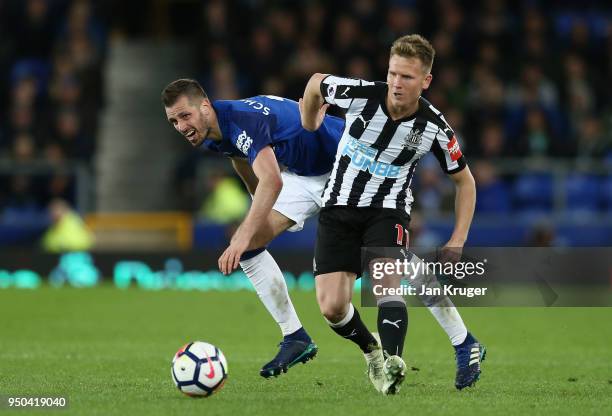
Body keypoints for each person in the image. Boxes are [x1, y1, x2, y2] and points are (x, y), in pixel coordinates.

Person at [300, 34, 486, 394]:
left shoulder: (433, 126)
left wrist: (458, 238)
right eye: (393, 74)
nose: (397, 83)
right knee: (332, 307)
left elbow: (466, 182)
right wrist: (309, 124)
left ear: (426, 81)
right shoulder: (360, 94)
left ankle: (392, 363)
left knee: (385, 282)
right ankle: (374, 352)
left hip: (387, 212)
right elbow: (314, 84)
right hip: (337, 208)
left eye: (407, 77)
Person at [162, 79, 342, 378]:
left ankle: (451, 338)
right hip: (307, 175)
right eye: (173, 121)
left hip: (347, 165)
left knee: (386, 257)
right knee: (247, 245)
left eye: (185, 116)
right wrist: (255, 214)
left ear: (205, 106)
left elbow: (272, 180)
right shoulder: (211, 132)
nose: (180, 127)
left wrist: (242, 233)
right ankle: (295, 337)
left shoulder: (242, 120)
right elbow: (241, 159)